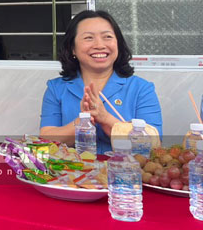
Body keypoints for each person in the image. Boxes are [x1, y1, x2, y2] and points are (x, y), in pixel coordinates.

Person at [40, 9, 162, 153]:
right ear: (72, 48)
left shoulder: (141, 89)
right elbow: (45, 141)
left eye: (107, 37)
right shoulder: (56, 88)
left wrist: (106, 119)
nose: (99, 45)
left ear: (118, 43)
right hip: (74, 173)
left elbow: (154, 145)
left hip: (126, 171)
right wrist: (81, 123)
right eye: (89, 38)